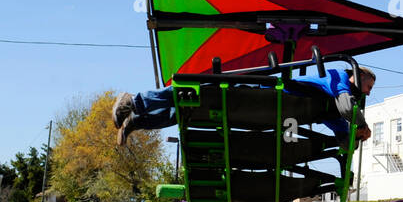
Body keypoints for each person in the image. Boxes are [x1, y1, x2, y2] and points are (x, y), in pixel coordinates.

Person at [113, 66, 376, 147]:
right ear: (358, 75)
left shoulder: (327, 105)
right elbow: (346, 107)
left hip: (264, 113)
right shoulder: (338, 79)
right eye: (369, 85)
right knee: (198, 93)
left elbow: (340, 124)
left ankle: (136, 121)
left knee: (186, 113)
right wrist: (362, 125)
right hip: (261, 93)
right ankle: (133, 102)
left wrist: (352, 138)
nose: (369, 91)